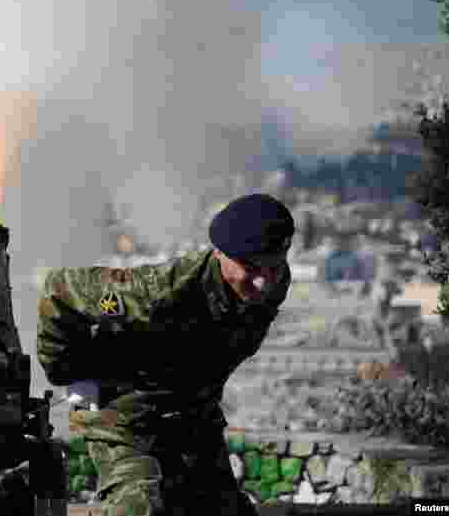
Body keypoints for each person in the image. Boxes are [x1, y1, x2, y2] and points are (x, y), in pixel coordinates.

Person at [37, 193, 295, 516]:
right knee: (138, 508)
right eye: (250, 267)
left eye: (273, 267)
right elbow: (58, 291)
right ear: (218, 253)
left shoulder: (274, 285)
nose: (263, 281)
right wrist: (66, 371)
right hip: (127, 421)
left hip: (194, 422)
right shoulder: (158, 293)